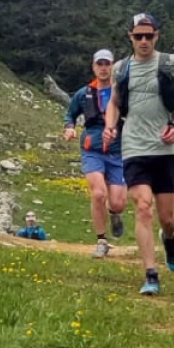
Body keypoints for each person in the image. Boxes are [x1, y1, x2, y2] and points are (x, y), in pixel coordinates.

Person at [102, 12, 174, 297]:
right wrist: (110, 126)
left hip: (163, 148)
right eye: (138, 36)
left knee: (168, 218)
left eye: (148, 36)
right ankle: (151, 274)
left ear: (156, 36)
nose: (143, 41)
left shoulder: (169, 63)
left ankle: (169, 240)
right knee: (143, 207)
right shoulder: (121, 68)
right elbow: (114, 103)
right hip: (134, 147)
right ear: (130, 37)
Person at [63, 47, 127, 257]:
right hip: (92, 149)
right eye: (99, 64)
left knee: (118, 203)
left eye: (107, 64)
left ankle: (114, 213)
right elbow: (70, 114)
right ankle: (101, 240)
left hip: (118, 151)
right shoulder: (84, 94)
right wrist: (69, 128)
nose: (103, 68)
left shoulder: (122, 92)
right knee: (98, 193)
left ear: (112, 67)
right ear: (93, 67)